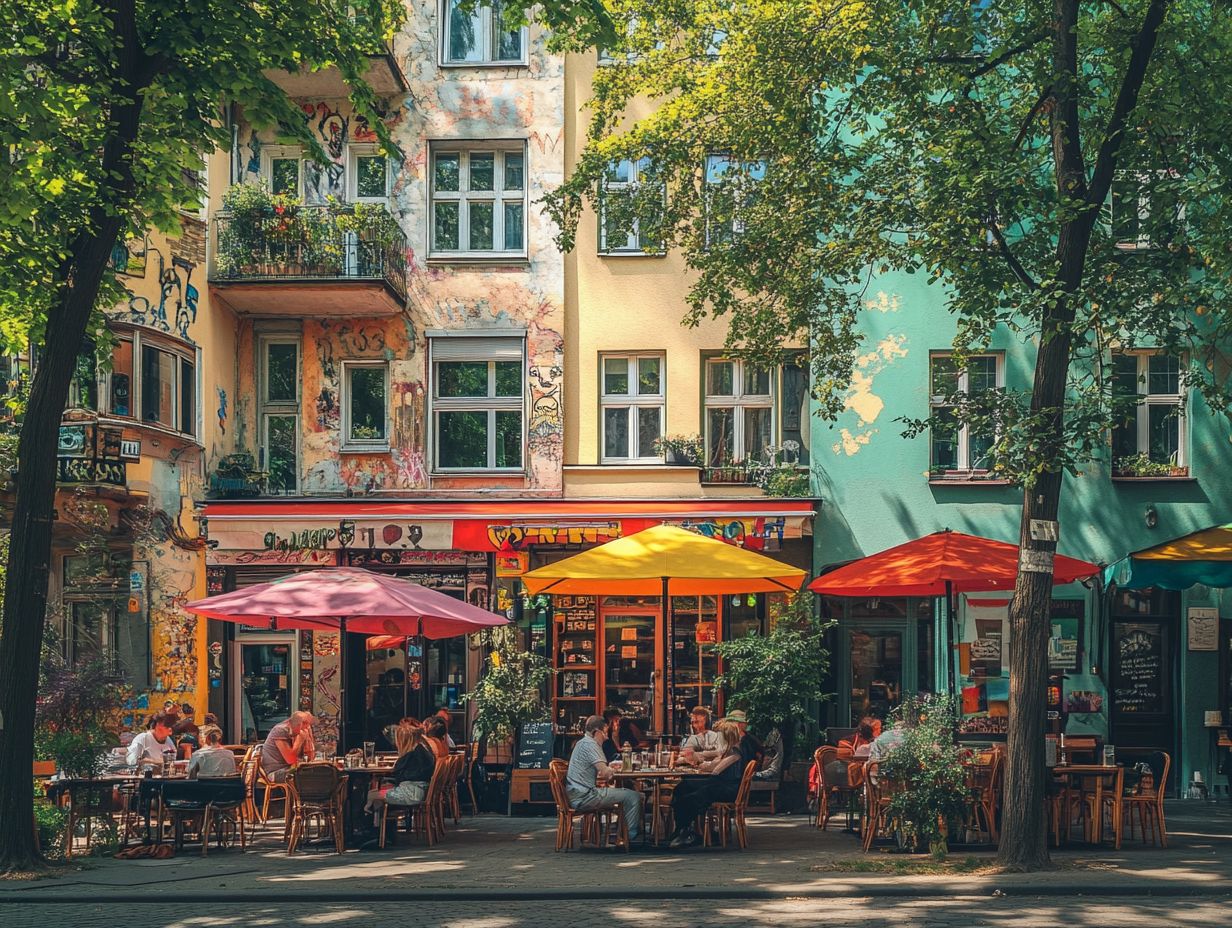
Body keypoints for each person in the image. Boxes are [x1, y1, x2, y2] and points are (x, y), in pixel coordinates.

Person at [665, 719, 746, 847]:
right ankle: (682, 829)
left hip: (726, 790)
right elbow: (716, 765)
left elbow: (716, 770)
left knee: (688, 799)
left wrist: (702, 763)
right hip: (720, 785)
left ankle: (687, 832)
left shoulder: (735, 753)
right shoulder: (730, 749)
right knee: (684, 786)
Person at [566, 715, 642, 843]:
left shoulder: (582, 743)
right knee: (633, 796)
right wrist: (615, 769)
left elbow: (602, 772)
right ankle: (630, 838)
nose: (607, 736)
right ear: (596, 732)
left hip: (576, 793)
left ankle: (620, 832)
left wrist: (611, 768)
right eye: (605, 732)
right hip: (585, 796)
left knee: (628, 793)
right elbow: (606, 774)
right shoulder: (591, 745)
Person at [364, 723, 436, 828]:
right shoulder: (421, 751)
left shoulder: (412, 755)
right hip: (419, 790)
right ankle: (379, 829)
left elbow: (399, 774)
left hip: (411, 794)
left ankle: (374, 828)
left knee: (372, 794)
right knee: (376, 794)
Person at [260, 711, 316, 782]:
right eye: (305, 723)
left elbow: (310, 759)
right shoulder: (280, 730)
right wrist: (299, 741)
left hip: (292, 768)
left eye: (309, 724)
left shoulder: (300, 733)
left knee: (320, 771)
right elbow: (290, 760)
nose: (307, 727)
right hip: (277, 772)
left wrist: (308, 740)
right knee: (311, 776)